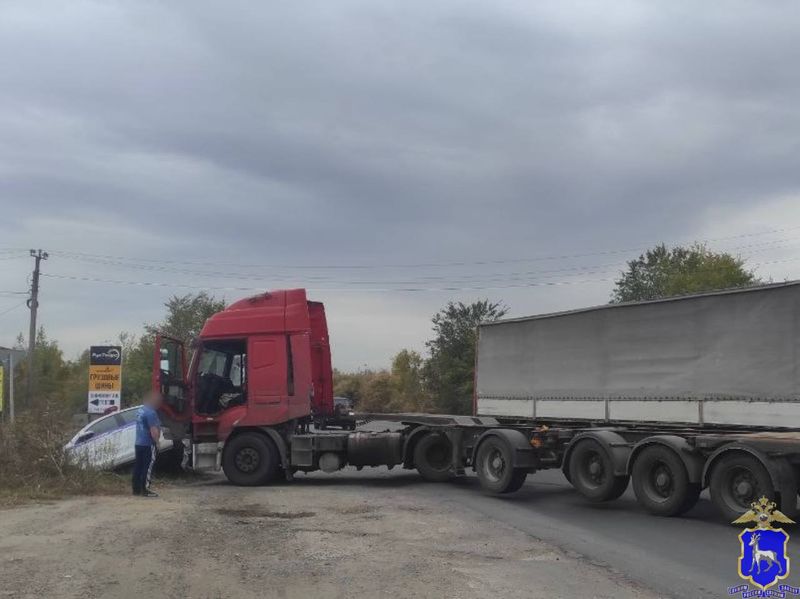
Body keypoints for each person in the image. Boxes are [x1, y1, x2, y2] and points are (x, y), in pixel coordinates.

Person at [132, 391, 162, 497]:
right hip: (148, 443)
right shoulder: (151, 413)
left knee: (138, 466)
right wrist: (157, 442)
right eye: (158, 401)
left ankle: (136, 489)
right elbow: (153, 430)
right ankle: (145, 489)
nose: (159, 403)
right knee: (148, 466)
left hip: (138, 443)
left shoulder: (140, 410)